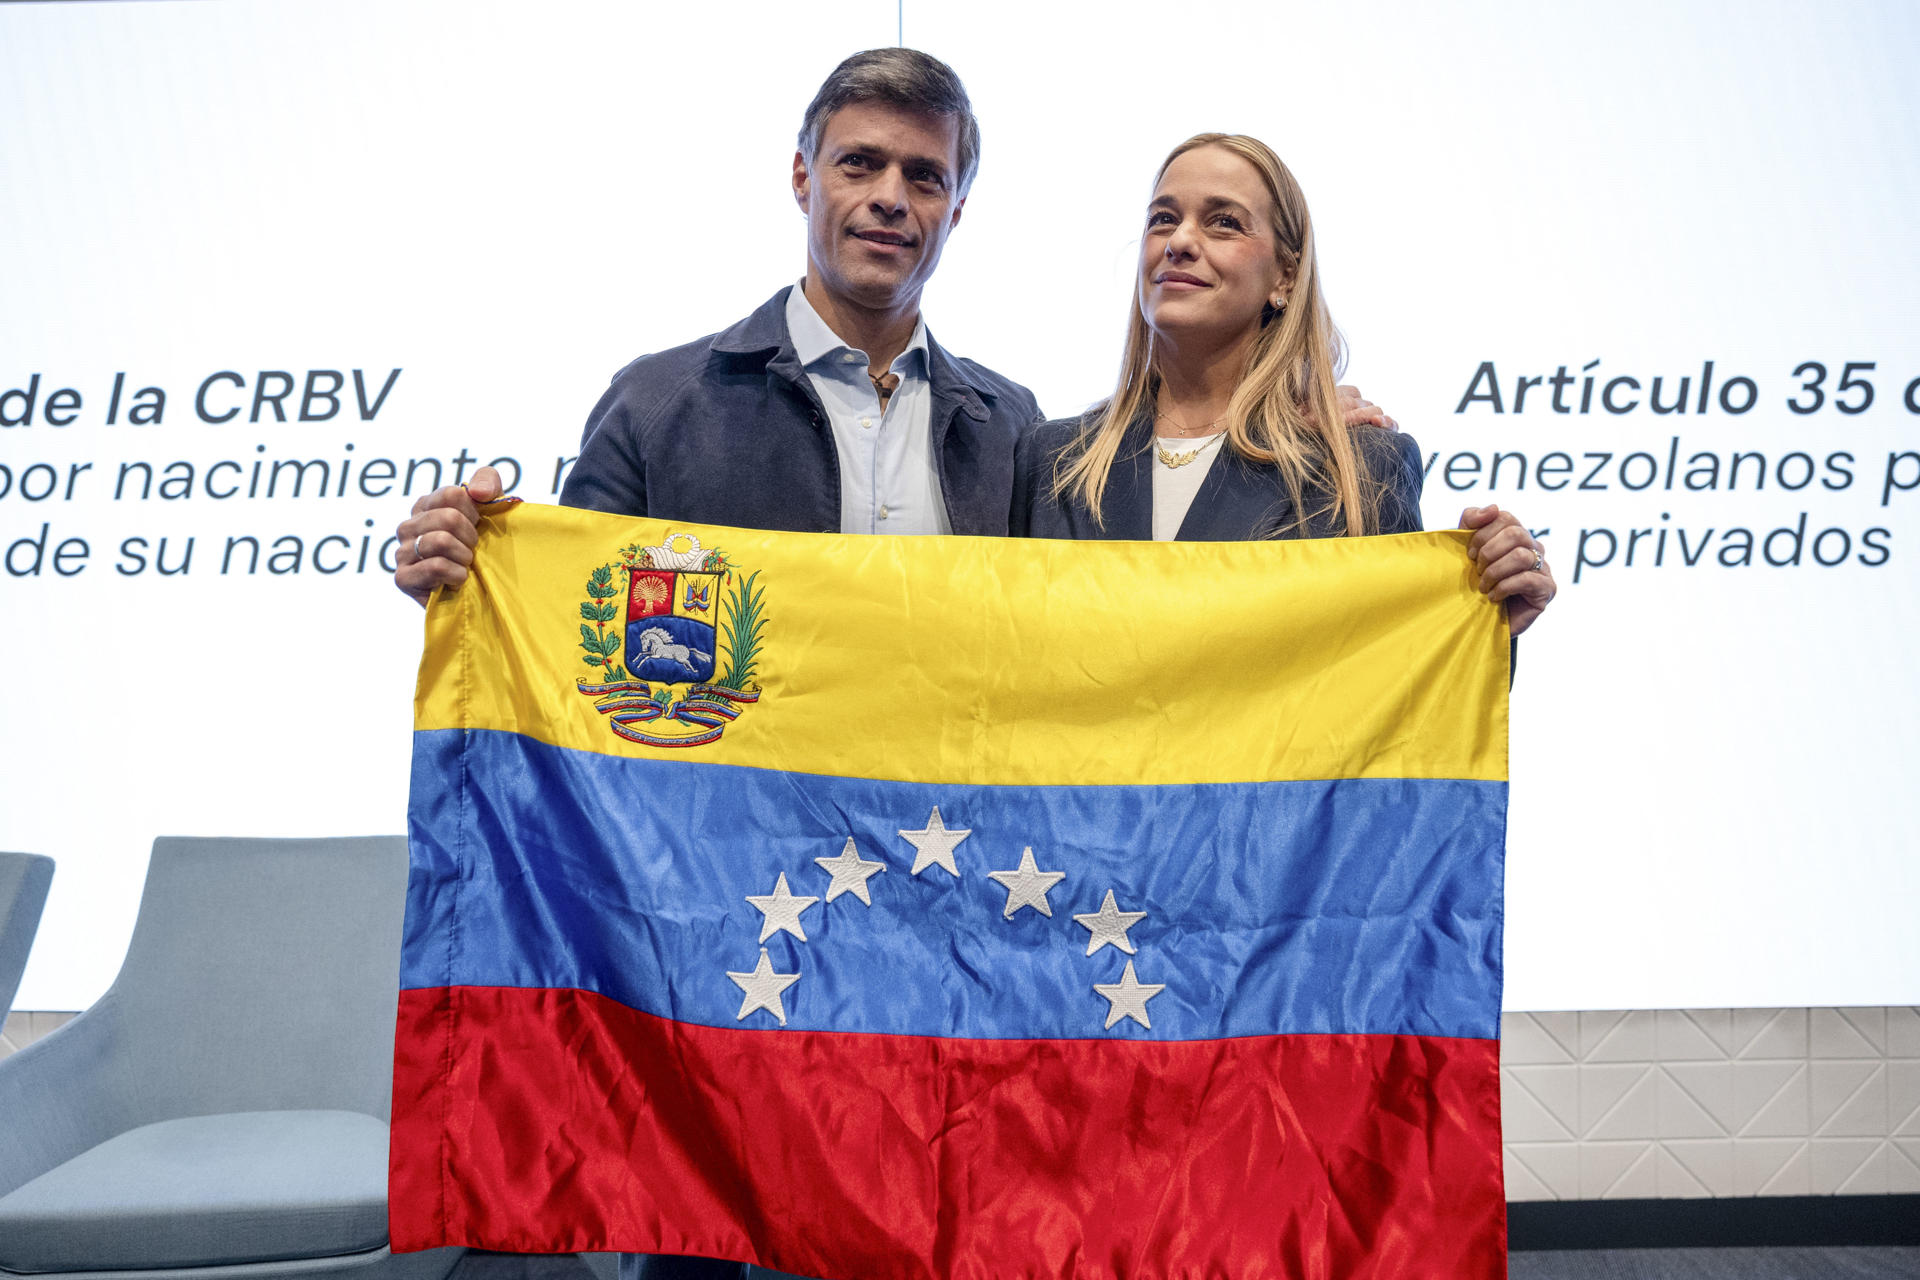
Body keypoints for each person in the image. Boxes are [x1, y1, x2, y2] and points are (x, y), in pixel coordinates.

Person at [1014, 132, 1556, 636]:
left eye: (1223, 222)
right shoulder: (1050, 459)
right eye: (1163, 218)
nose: (1179, 240)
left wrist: (1486, 620)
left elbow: (1395, 673)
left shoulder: (1359, 469)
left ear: (1285, 276)